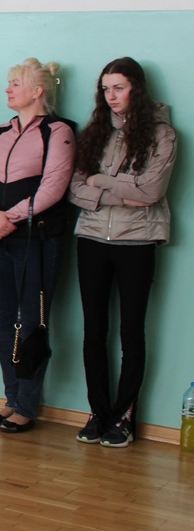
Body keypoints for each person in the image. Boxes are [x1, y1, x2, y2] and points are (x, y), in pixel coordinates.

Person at [68, 57, 177, 448]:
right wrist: (117, 189)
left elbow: (151, 192)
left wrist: (100, 182)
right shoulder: (94, 132)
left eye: (119, 88)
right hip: (91, 239)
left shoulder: (162, 134)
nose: (111, 96)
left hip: (138, 241)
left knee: (132, 333)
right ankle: (98, 412)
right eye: (105, 89)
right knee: (93, 332)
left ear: (137, 89)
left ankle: (124, 415)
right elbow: (75, 189)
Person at [0, 59, 76, 434]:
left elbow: (53, 188)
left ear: (38, 90)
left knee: (32, 321)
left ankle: (27, 406)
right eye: (9, 82)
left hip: (36, 241)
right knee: (4, 320)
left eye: (15, 83)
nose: (8, 89)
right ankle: (11, 398)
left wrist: (6, 220)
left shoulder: (58, 131)